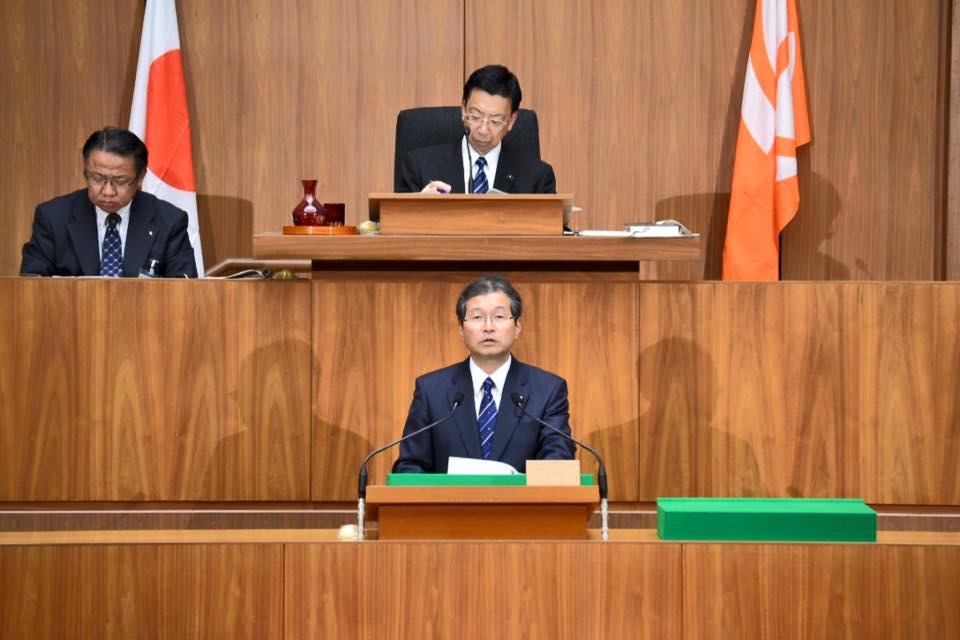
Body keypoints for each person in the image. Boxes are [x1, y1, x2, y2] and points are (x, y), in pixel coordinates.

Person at [393, 274, 575, 473]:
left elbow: (558, 464)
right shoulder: (431, 390)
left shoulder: (548, 390)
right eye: (477, 317)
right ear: (461, 329)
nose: (488, 327)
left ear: (517, 327)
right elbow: (410, 467)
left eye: (499, 317)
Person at [20, 127, 197, 277]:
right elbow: (31, 288)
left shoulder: (169, 221)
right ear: (86, 172)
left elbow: (184, 293)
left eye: (120, 181)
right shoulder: (53, 218)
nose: (108, 191)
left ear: (140, 177)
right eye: (97, 178)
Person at [397, 64, 557, 194]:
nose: (483, 130)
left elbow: (552, 224)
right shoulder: (419, 167)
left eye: (495, 121)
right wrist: (420, 208)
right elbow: (397, 220)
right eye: (475, 116)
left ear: (511, 121)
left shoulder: (537, 178)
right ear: (463, 109)